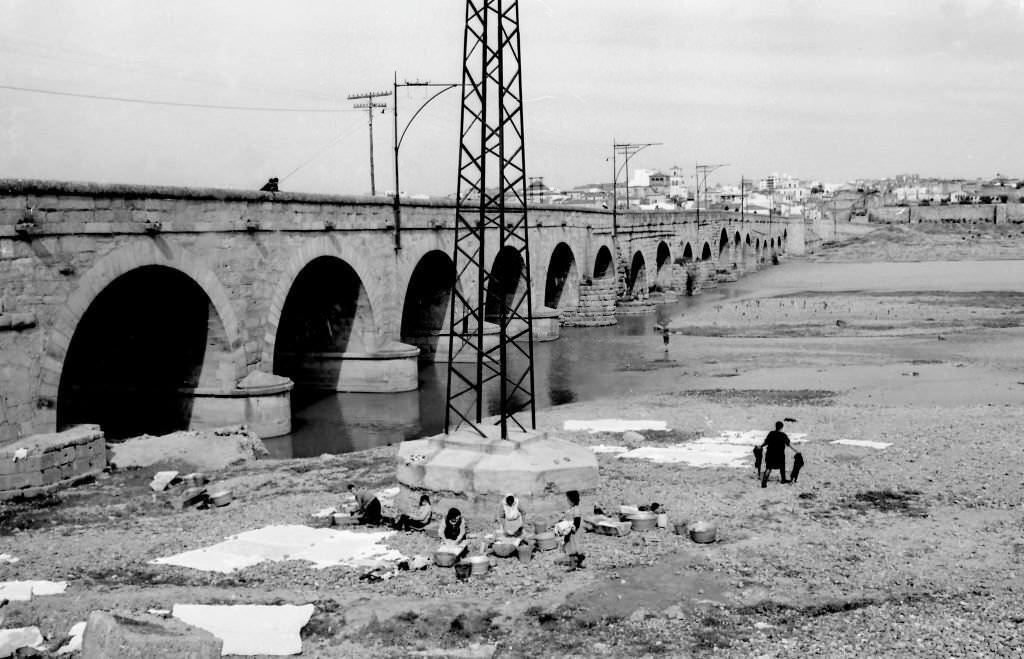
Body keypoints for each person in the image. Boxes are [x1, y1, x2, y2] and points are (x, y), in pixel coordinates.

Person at [759, 421, 797, 488]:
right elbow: (789, 444)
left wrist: (760, 446)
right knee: (782, 466)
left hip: (770, 454)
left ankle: (764, 482)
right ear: (782, 427)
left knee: (768, 468)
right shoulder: (783, 435)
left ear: (775, 426)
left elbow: (766, 442)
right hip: (779, 455)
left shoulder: (771, 433)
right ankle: (783, 479)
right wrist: (796, 451)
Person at [560, 490, 585, 570]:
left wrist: (572, 529)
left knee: (573, 546)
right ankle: (574, 564)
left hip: (573, 531)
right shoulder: (572, 509)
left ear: (572, 500)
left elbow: (577, 521)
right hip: (570, 530)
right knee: (570, 546)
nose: (567, 501)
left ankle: (579, 559)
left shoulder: (576, 510)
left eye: (568, 499)